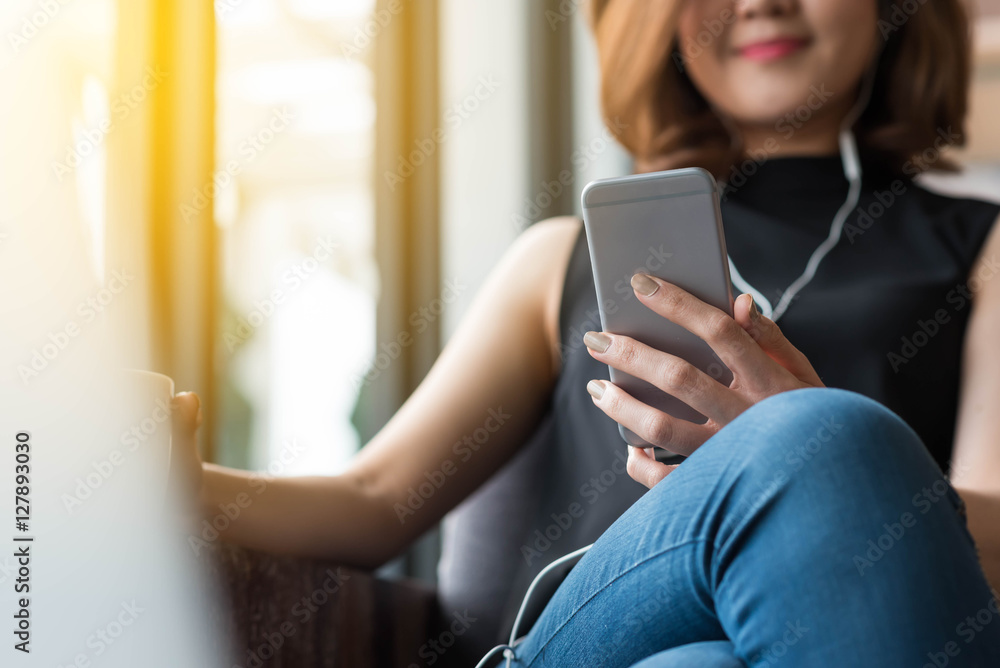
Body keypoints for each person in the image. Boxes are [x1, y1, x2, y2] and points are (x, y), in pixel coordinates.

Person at [172, 0, 1000, 665]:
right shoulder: (557, 260)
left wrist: (793, 452)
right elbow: (373, 502)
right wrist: (169, 478)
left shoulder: (983, 248)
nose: (761, 5)